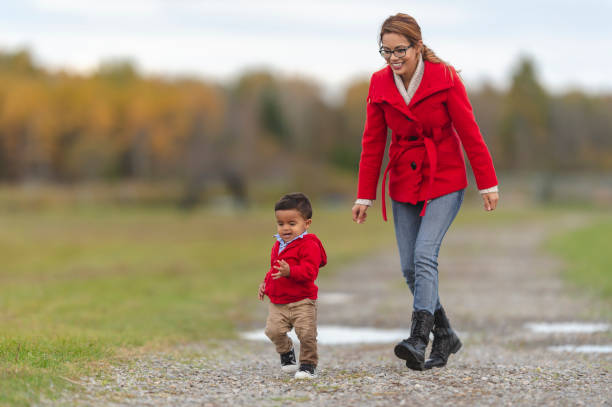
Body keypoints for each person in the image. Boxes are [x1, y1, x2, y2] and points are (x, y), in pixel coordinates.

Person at [351, 13, 499, 371]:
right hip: (403, 180)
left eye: (399, 50)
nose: (392, 58)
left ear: (417, 46)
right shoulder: (378, 83)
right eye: (385, 51)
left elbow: (470, 132)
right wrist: (364, 195)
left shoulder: (444, 78)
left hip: (444, 177)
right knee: (408, 268)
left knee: (424, 255)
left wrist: (487, 182)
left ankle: (419, 338)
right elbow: (373, 142)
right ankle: (445, 333)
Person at [258, 193, 327, 379]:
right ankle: (286, 351)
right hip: (279, 301)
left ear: (307, 223)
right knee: (272, 331)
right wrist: (266, 283)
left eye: (292, 223)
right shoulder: (278, 245)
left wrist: (291, 271)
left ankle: (307, 365)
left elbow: (310, 272)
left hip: (303, 301)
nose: (285, 228)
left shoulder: (309, 245)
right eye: (281, 224)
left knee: (306, 335)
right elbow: (274, 268)